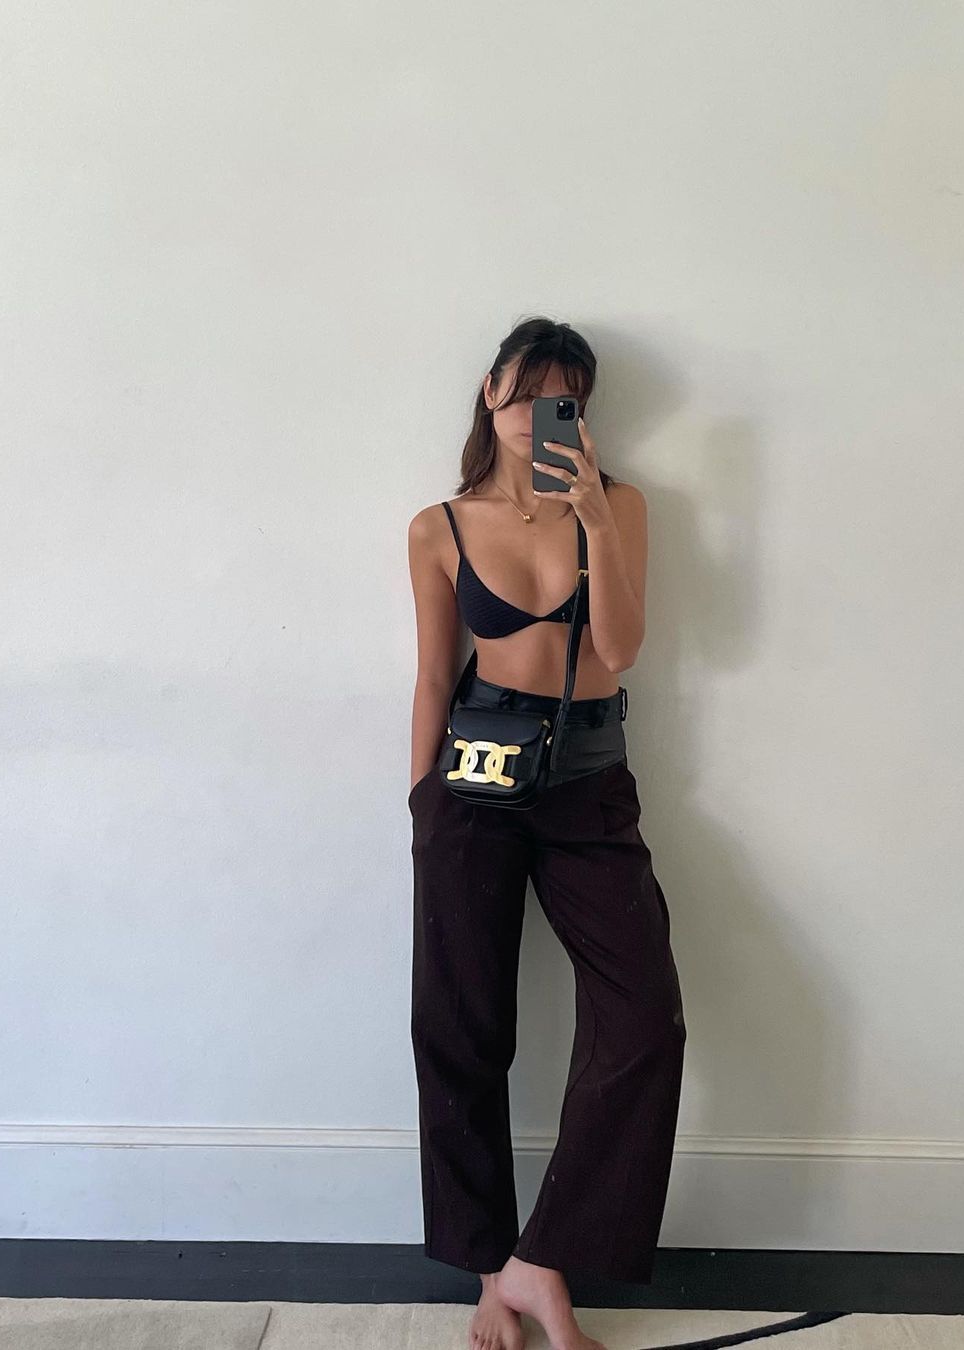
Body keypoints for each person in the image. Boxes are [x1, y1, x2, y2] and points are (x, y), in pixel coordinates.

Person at [406, 317, 686, 1350]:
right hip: (470, 789)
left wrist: (596, 521)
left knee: (644, 1020)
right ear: (490, 393)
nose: (538, 415)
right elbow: (434, 675)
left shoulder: (621, 505)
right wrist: (421, 805)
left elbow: (620, 647)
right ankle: (494, 1272)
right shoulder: (438, 527)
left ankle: (543, 1258)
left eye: (562, 398)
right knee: (460, 1025)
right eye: (524, 394)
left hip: (588, 788)